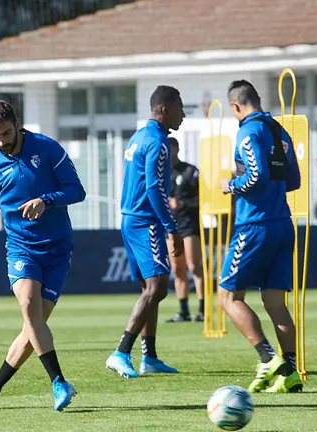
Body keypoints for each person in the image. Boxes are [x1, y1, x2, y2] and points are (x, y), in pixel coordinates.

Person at [0, 101, 84, 412]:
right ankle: (59, 382)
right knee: (28, 307)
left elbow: (77, 190)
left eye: (6, 133)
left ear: (18, 124)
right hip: (21, 248)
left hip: (57, 249)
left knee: (33, 325)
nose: (1, 142)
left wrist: (46, 201)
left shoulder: (47, 149)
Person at [218, 80, 303, 393]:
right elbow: (293, 179)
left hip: (255, 225)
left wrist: (232, 185)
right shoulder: (280, 131)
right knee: (274, 302)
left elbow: (256, 175)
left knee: (227, 297)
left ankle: (268, 358)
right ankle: (290, 373)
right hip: (283, 223)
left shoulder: (248, 132)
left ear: (236, 107)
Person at [106, 85, 185, 379]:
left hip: (130, 218)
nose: (184, 115)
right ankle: (121, 351)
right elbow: (154, 188)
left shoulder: (139, 136)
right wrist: (171, 228)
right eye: (180, 108)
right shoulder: (158, 143)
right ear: (165, 110)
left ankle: (149, 356)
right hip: (145, 221)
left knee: (149, 289)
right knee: (157, 288)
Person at [166, 137, 205, 323]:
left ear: (177, 150)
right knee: (177, 268)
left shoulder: (190, 171)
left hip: (189, 225)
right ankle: (183, 311)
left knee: (194, 266)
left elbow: (202, 199)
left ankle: (202, 309)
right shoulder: (161, 173)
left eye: (171, 150)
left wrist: (182, 203)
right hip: (170, 227)